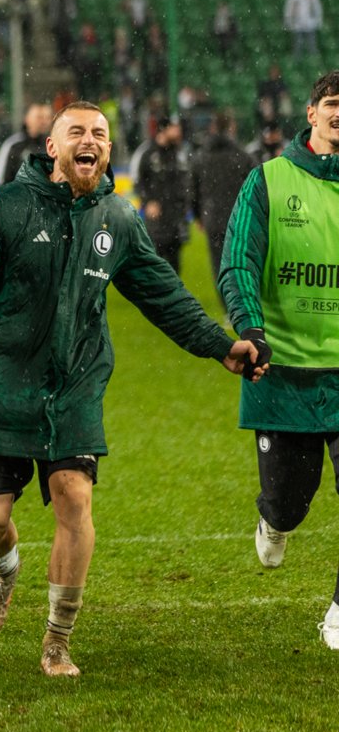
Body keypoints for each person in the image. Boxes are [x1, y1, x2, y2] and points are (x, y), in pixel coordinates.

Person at [0, 101, 264, 679]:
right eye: (76, 131)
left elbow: (164, 294)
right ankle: (4, 571)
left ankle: (57, 642)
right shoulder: (5, 208)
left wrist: (218, 344)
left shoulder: (117, 219)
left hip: (73, 384)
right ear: (51, 147)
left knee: (75, 498)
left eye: (99, 134)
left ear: (108, 150)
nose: (90, 140)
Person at [217, 70, 339, 650]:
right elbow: (238, 259)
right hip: (282, 371)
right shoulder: (268, 180)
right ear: (312, 113)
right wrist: (250, 328)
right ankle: (275, 519)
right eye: (334, 105)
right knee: (291, 500)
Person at [190, 110, 256, 293]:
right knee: (240, 263)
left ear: (213, 128)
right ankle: (240, 303)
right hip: (238, 218)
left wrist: (198, 216)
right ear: (232, 127)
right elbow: (256, 186)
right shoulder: (242, 156)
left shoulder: (201, 157)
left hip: (212, 218)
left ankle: (227, 306)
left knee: (219, 265)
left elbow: (193, 190)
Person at [131, 116, 191, 274]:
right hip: (157, 217)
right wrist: (148, 201)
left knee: (175, 265)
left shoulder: (179, 153)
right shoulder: (147, 153)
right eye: (175, 127)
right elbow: (138, 182)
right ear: (164, 129)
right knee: (156, 261)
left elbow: (185, 182)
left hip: (176, 216)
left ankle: (173, 297)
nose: (179, 131)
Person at [0, 101, 52, 187]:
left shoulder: (53, 144)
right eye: (39, 117)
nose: (44, 122)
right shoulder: (14, 145)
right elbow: (0, 180)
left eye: (47, 118)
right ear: (27, 119)